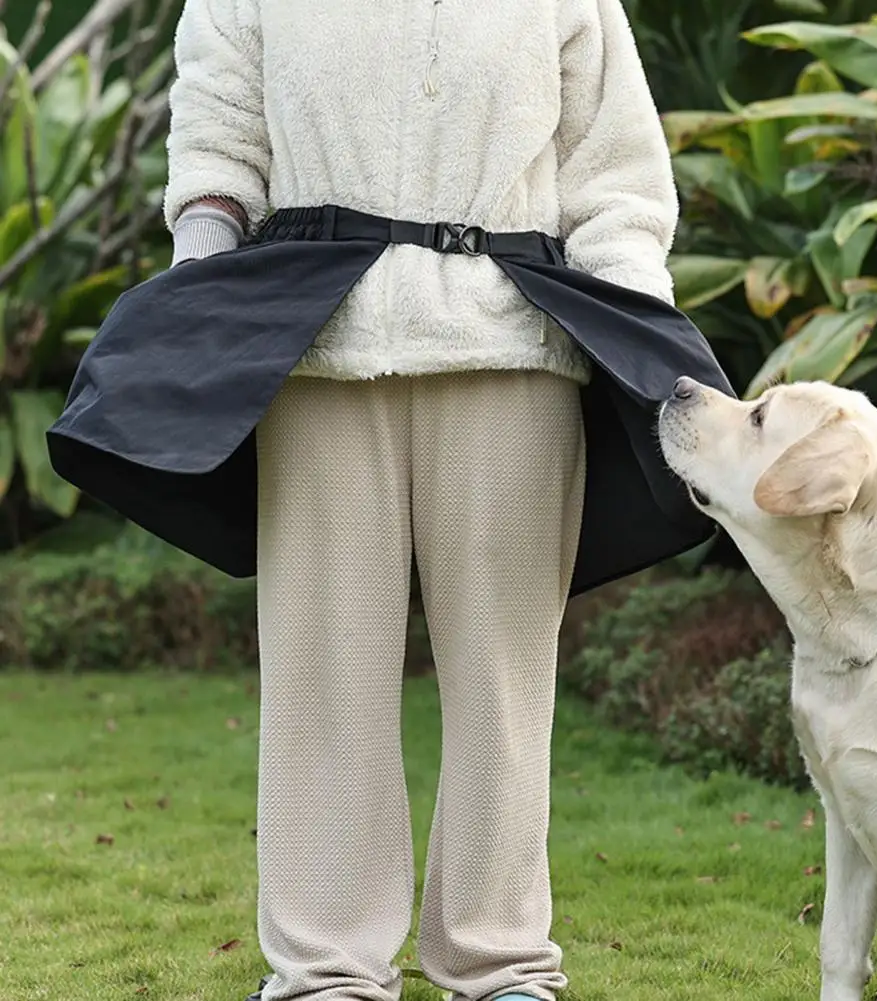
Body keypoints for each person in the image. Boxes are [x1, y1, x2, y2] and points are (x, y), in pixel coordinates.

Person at [49, 1, 729, 999]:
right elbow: (217, 150)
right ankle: (325, 969)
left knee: (502, 677)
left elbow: (613, 177)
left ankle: (500, 962)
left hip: (513, 352)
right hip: (318, 354)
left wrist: (635, 338)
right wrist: (200, 296)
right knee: (321, 670)